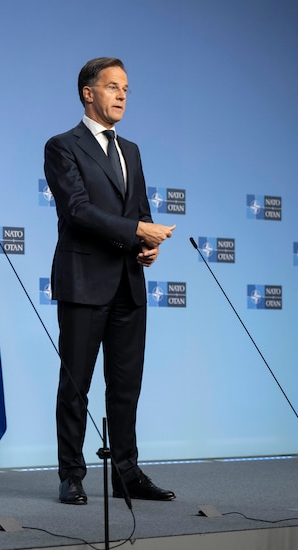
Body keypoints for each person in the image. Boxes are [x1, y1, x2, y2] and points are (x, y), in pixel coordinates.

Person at [44, 57, 177, 505]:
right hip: (83, 281)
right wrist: (138, 230)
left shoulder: (132, 150)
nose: (121, 95)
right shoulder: (62, 146)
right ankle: (72, 475)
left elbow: (137, 207)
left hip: (128, 283)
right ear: (88, 92)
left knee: (125, 386)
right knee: (76, 385)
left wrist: (148, 240)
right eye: (113, 87)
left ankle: (126, 473)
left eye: (126, 89)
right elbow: (77, 211)